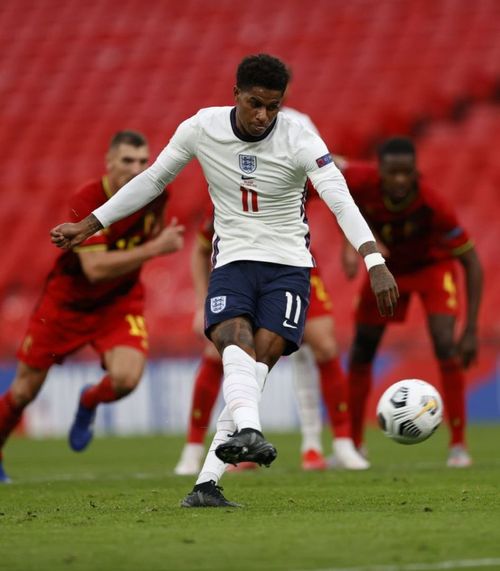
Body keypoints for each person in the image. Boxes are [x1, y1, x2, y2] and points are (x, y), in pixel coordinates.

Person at [50, 54, 398, 507]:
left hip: (289, 266)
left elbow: (341, 200)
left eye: (273, 107)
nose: (263, 116)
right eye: (255, 104)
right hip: (232, 261)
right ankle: (249, 432)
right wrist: (90, 224)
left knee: (256, 366)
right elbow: (152, 180)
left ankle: (206, 484)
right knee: (235, 345)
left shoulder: (300, 138)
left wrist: (374, 261)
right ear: (235, 94)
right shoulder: (201, 128)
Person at [0, 130, 184, 483]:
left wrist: (153, 245)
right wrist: (155, 249)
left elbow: (151, 233)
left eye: (144, 161)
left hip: (118, 302)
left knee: (127, 379)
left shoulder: (157, 194)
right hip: (67, 304)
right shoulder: (86, 199)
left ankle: (89, 401)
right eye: (128, 161)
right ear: (109, 162)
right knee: (23, 392)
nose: (137, 168)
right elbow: (95, 269)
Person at [174, 203, 368, 476]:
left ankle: (340, 443)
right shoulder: (227, 190)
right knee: (222, 353)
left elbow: (336, 194)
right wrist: (200, 305)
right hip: (240, 273)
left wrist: (351, 245)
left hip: (292, 267)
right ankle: (194, 450)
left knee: (323, 344)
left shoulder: (287, 166)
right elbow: (201, 250)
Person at [338, 137, 483, 468]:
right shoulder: (362, 181)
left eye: (407, 173)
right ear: (381, 172)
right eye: (393, 173)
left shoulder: (433, 205)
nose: (400, 180)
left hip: (432, 268)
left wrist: (471, 328)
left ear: (416, 172)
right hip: (386, 270)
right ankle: (354, 447)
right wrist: (351, 242)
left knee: (446, 343)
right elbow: (324, 170)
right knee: (362, 349)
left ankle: (459, 446)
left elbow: (471, 261)